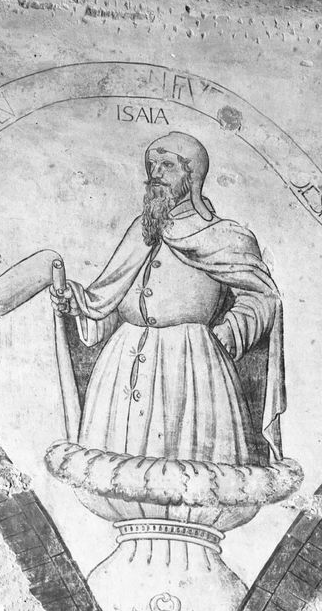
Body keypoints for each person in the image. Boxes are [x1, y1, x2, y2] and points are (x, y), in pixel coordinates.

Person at [48, 132, 286, 467]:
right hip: (121, 366)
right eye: (152, 165)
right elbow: (112, 300)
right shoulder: (140, 231)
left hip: (191, 364)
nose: (155, 172)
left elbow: (262, 296)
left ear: (193, 177)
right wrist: (81, 306)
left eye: (167, 165)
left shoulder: (224, 237)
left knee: (188, 471)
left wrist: (231, 331)